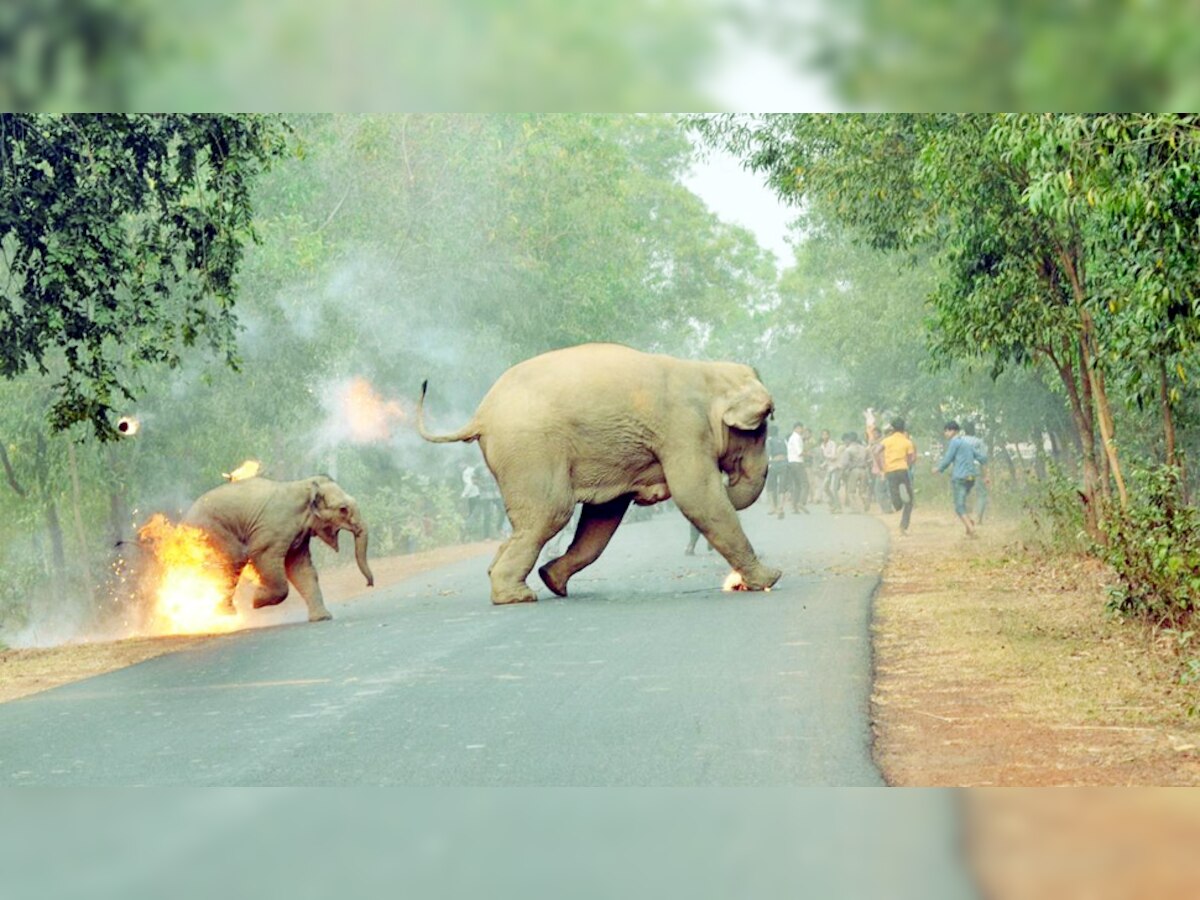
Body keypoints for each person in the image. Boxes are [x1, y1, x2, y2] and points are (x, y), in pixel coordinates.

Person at [935, 420, 988, 537]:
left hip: (960, 477)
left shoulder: (954, 442)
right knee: (962, 503)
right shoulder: (966, 443)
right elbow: (982, 458)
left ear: (952, 431)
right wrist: (986, 476)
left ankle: (972, 530)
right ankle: (969, 528)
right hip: (971, 478)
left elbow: (948, 459)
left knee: (959, 507)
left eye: (946, 431)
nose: (945, 434)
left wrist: (938, 469)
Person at [879, 417, 916, 534]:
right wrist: (907, 464)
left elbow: (875, 451)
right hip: (903, 470)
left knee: (895, 496)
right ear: (904, 428)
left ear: (892, 428)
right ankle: (903, 526)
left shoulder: (886, 441)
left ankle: (897, 504)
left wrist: (881, 466)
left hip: (890, 471)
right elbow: (911, 458)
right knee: (909, 501)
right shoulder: (907, 442)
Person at [962, 421, 990, 524]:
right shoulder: (979, 442)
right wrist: (986, 475)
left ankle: (966, 516)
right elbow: (983, 460)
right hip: (975, 470)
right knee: (982, 494)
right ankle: (977, 517)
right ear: (974, 430)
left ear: (964, 431)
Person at [765, 423, 789, 518]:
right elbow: (788, 452)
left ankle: (772, 507)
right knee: (782, 486)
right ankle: (780, 507)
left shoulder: (769, 441)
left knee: (770, 486)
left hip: (773, 464)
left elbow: (767, 453)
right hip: (784, 463)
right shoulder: (783, 440)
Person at [786, 421, 810, 513]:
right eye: (801, 428)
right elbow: (800, 452)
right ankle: (801, 502)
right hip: (797, 462)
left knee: (797, 485)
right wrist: (809, 454)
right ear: (797, 428)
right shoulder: (797, 437)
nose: (802, 430)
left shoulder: (792, 438)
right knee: (805, 484)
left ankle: (794, 507)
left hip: (791, 463)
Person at [819, 429, 838, 507]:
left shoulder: (832, 444)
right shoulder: (822, 445)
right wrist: (823, 465)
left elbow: (833, 456)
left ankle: (837, 506)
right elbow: (825, 459)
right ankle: (832, 503)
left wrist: (826, 458)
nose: (824, 436)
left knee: (833, 488)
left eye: (826, 434)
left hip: (835, 467)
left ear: (829, 435)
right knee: (825, 487)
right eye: (823, 435)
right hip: (828, 468)